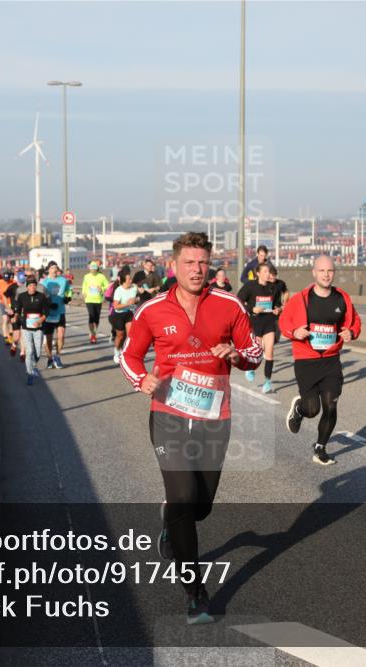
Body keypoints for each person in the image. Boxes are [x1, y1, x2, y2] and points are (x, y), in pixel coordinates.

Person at [119, 231, 262, 625]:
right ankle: (195, 593)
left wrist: (236, 354)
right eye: (189, 263)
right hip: (168, 414)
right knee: (183, 497)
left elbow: (255, 352)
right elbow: (128, 356)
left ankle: (171, 519)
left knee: (201, 506)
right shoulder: (151, 310)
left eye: (203, 263)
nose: (197, 270)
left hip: (214, 418)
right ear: (174, 266)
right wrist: (141, 380)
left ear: (210, 264)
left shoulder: (229, 305)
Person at [279, 255, 361, 465]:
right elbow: (284, 321)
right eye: (322, 271)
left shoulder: (342, 298)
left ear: (334, 273)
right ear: (314, 273)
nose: (326, 275)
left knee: (331, 405)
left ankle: (320, 448)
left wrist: (352, 332)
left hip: (331, 360)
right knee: (312, 409)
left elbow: (354, 321)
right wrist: (293, 332)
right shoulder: (302, 298)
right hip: (306, 360)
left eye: (330, 271)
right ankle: (300, 408)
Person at [236, 262, 285, 393]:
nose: (268, 274)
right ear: (258, 273)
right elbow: (238, 301)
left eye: (268, 272)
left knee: (269, 352)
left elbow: (277, 304)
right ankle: (250, 368)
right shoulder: (250, 286)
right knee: (257, 351)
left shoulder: (273, 287)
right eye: (265, 272)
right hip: (255, 322)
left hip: (269, 322)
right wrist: (252, 309)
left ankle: (267, 382)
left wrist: (277, 309)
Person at [15, 277, 49, 385]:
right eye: (30, 286)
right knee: (29, 351)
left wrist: (40, 321)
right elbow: (18, 309)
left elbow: (46, 313)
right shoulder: (22, 296)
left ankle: (33, 365)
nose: (32, 287)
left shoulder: (41, 296)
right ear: (27, 287)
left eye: (34, 285)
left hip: (38, 328)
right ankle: (29, 374)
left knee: (37, 352)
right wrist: (15, 316)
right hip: (26, 328)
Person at [40, 261, 70, 368]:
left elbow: (68, 290)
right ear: (48, 269)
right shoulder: (44, 282)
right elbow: (41, 297)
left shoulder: (63, 280)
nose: (55, 269)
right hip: (48, 314)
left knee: (61, 335)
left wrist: (67, 298)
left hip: (60, 312)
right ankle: (49, 358)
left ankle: (57, 356)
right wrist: (48, 304)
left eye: (56, 267)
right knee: (48, 339)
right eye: (53, 267)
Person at [110, 269, 138, 364]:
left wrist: (136, 299)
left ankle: (127, 353)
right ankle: (117, 352)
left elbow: (136, 298)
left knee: (131, 334)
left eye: (131, 278)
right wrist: (127, 303)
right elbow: (115, 306)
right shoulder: (118, 290)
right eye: (129, 279)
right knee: (120, 335)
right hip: (119, 314)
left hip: (129, 313)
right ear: (123, 281)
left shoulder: (134, 288)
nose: (131, 280)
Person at [81, 261, 110, 344]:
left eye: (94, 269)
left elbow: (107, 286)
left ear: (97, 269)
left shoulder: (101, 276)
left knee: (96, 318)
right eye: (91, 269)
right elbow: (84, 286)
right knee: (91, 316)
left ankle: (94, 331)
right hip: (89, 299)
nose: (93, 270)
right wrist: (83, 293)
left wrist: (102, 288)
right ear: (89, 269)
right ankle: (93, 334)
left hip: (98, 299)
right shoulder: (86, 276)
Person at [3, 276, 22, 356]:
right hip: (14, 312)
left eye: (23, 282)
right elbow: (4, 296)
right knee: (17, 334)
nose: (22, 284)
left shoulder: (28, 286)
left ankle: (22, 352)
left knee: (24, 332)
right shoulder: (12, 287)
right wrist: (7, 307)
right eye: (21, 282)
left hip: (25, 312)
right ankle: (14, 344)